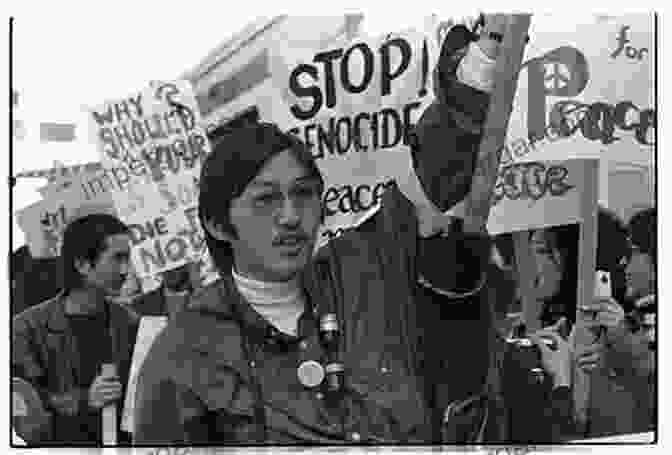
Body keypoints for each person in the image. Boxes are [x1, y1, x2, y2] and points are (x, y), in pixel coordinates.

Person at [134, 17, 507, 445]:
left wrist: (484, 58)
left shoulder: (367, 269)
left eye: (304, 194)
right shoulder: (181, 353)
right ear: (219, 224)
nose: (291, 216)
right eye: (266, 199)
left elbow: (438, 174)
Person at [525, 208, 653, 439]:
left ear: (574, 258)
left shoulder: (629, 329)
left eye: (543, 251)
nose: (533, 264)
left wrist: (618, 347)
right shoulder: (541, 329)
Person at [12, 214, 140, 445]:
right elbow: (24, 409)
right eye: (117, 259)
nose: (125, 270)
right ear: (82, 264)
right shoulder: (26, 329)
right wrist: (84, 401)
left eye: (128, 259)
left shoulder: (132, 323)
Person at [131, 262, 197, 318]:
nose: (169, 270)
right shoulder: (144, 303)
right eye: (164, 268)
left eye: (176, 267)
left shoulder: (202, 294)